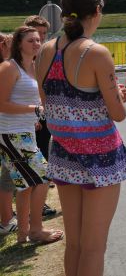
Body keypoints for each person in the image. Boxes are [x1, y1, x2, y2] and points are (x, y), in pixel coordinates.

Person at [36, 0, 126, 275]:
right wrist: (117, 97)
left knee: (75, 245)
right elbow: (118, 114)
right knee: (94, 247)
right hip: (100, 158)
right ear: (97, 11)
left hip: (64, 155)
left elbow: (51, 102)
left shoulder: (45, 50)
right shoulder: (96, 52)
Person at [0, 26, 63, 245]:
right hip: (10, 134)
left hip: (24, 132)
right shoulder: (9, 67)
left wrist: (35, 116)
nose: (37, 43)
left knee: (25, 185)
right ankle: (36, 230)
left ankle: (23, 233)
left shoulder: (33, 67)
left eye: (38, 40)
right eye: (31, 41)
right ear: (18, 44)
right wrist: (33, 110)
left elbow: (34, 97)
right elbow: (1, 104)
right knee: (44, 176)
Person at [24, 16, 57, 218]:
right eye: (37, 35)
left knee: (43, 151)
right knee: (33, 161)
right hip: (28, 117)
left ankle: (38, 202)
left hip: (42, 112)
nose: (41, 39)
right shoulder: (20, 60)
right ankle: (35, 207)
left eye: (44, 35)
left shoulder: (43, 54)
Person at [0, 32, 17, 235]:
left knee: (8, 175)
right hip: (6, 129)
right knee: (7, 176)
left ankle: (7, 218)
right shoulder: (5, 68)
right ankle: (6, 220)